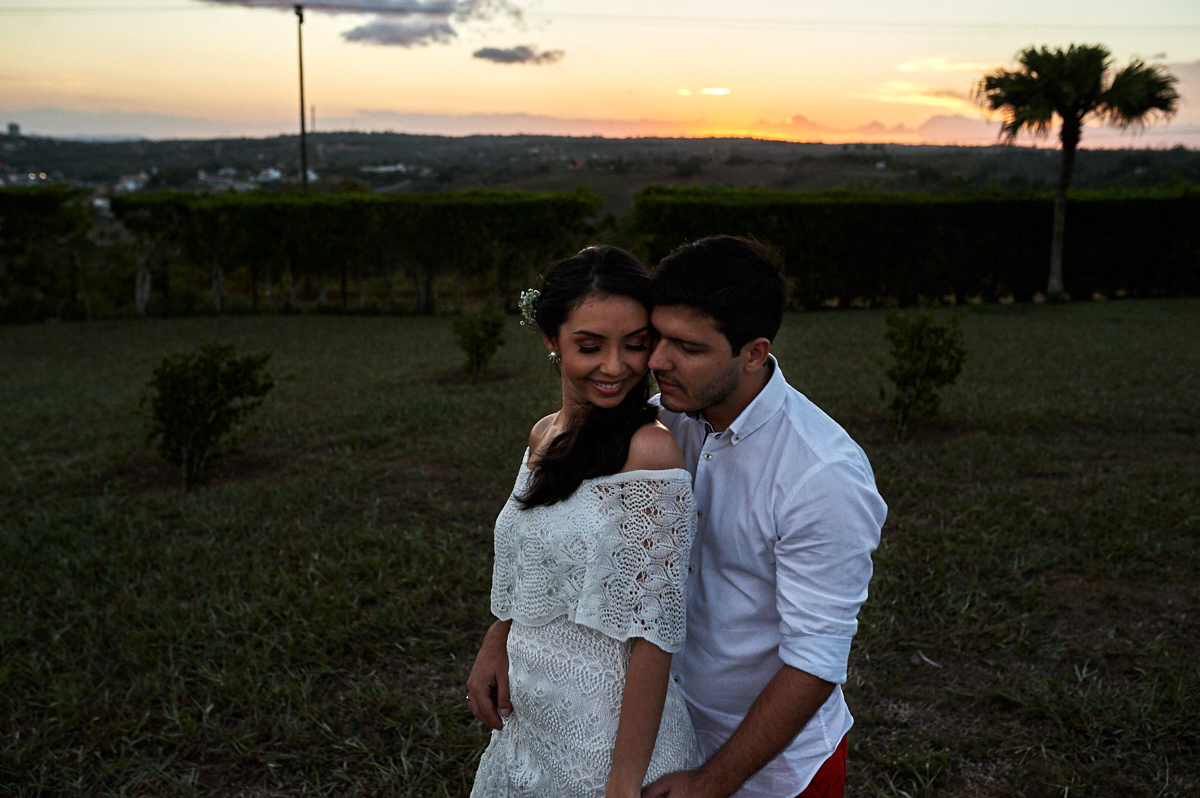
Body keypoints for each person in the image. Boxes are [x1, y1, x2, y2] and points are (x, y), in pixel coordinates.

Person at [641, 236, 887, 798]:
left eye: (687, 347)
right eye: (656, 337)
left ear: (753, 353)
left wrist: (711, 783)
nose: (656, 361)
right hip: (663, 738)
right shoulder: (658, 423)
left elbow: (815, 663)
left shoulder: (821, 473)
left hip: (774, 774)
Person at [467, 246, 701, 798]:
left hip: (605, 740)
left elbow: (654, 635)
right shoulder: (543, 434)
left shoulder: (650, 452)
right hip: (529, 723)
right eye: (590, 346)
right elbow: (530, 560)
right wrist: (497, 637)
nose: (615, 367)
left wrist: (622, 784)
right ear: (551, 339)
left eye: (635, 345)